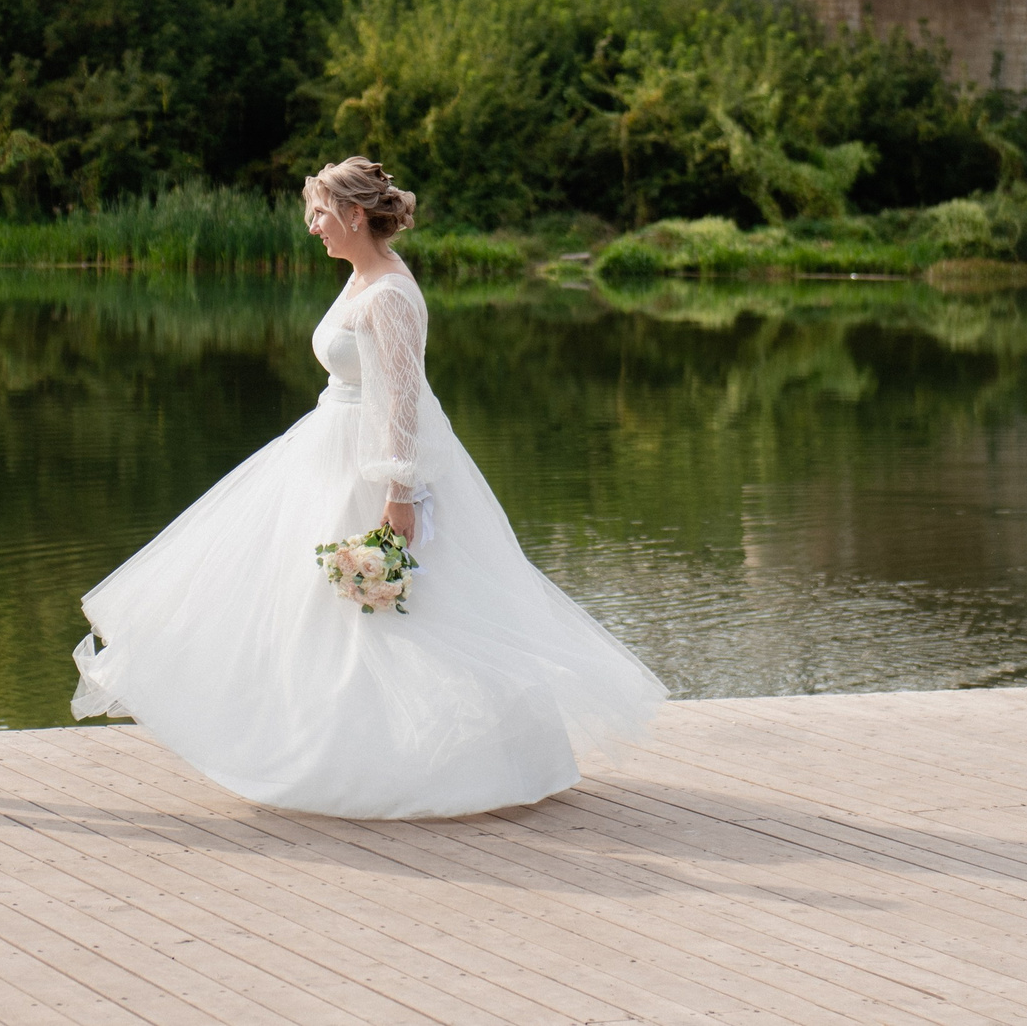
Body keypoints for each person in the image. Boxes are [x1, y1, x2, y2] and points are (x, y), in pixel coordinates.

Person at [72, 157, 666, 819]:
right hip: (327, 453)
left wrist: (399, 494)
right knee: (316, 611)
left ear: (356, 215)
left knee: (390, 610)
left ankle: (444, 765)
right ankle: (329, 752)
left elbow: (404, 399)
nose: (313, 226)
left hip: (371, 467)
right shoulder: (362, 277)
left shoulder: (390, 294)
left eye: (321, 213)